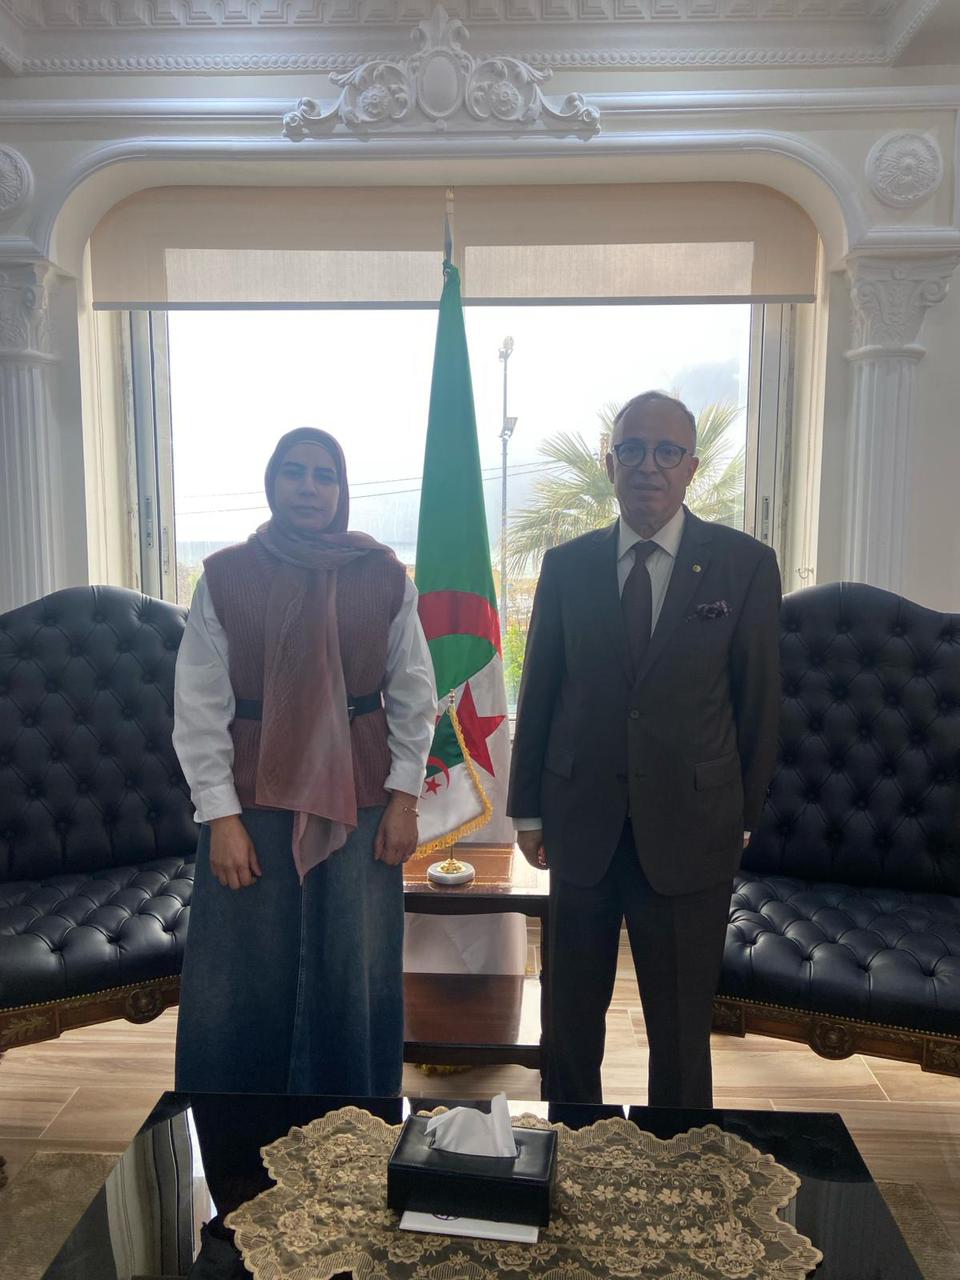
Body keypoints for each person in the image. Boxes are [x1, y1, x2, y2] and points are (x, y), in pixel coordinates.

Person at [507, 391, 781, 1109]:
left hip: (693, 828)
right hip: (581, 823)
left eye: (666, 452)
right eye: (632, 449)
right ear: (610, 464)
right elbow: (541, 692)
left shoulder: (745, 566)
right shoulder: (567, 566)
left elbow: (759, 705)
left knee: (681, 1031)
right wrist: (527, 810)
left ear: (692, 466)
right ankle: (572, 1150)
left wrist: (744, 817)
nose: (648, 465)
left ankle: (677, 1161)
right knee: (570, 1023)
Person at [172, 427, 436, 1097]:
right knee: (245, 975)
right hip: (250, 804)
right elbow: (199, 707)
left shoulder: (383, 576)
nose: (309, 487)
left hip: (363, 797)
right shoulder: (226, 576)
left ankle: (356, 1123)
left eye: (325, 475)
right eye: (295, 472)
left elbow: (414, 695)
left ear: (342, 490)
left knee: (354, 966)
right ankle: (235, 1129)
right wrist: (221, 819)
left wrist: (405, 801)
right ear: (272, 484)